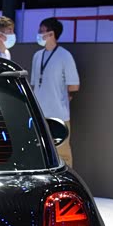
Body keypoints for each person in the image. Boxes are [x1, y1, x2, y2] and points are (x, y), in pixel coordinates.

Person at [31, 17, 80, 167]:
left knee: (62, 154)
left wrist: (65, 96)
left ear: (52, 34)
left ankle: (66, 180)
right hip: (40, 114)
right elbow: (34, 84)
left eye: (42, 31)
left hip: (59, 115)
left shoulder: (65, 56)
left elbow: (74, 86)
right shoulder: (37, 56)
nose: (39, 34)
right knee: (40, 153)